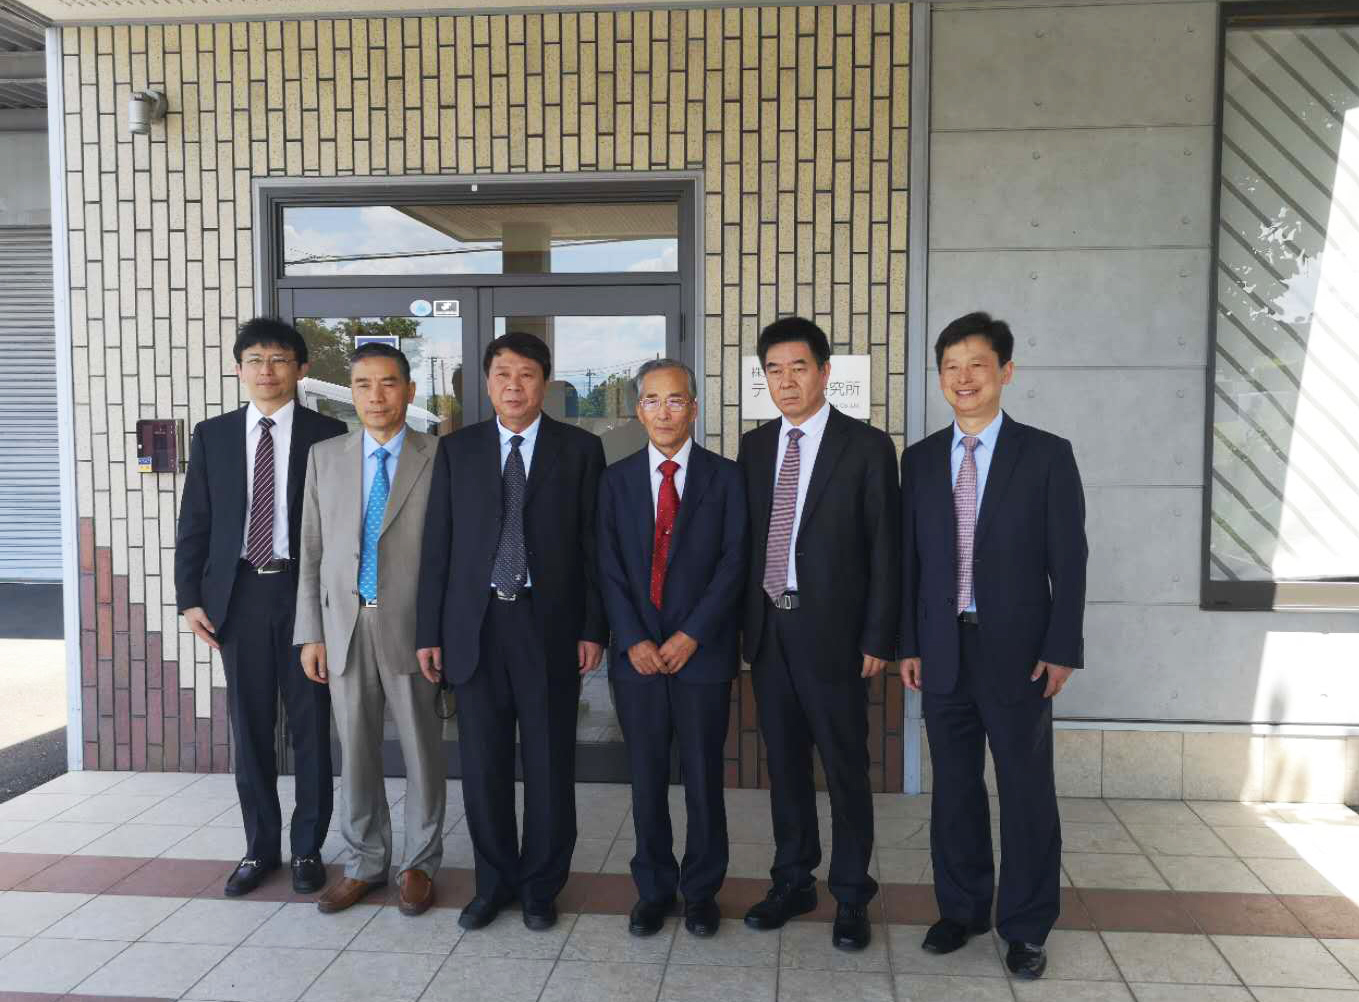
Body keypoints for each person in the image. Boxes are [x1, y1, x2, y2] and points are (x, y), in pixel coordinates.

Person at [899, 311, 1087, 980]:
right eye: (950, 367)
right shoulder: (921, 460)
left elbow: (1070, 560)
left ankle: (1026, 926)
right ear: (939, 377)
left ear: (1005, 371)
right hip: (941, 649)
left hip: (1019, 655)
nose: (963, 378)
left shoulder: (1046, 455)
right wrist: (908, 643)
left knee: (1025, 791)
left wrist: (1062, 647)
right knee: (953, 789)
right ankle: (962, 910)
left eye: (976, 365)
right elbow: (910, 562)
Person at [416, 331, 607, 932]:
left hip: (547, 625)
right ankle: (493, 884)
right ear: (486, 382)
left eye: (526, 374)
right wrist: (429, 632)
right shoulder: (458, 450)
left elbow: (594, 546)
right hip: (475, 628)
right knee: (483, 766)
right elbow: (438, 547)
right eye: (502, 374)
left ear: (545, 382)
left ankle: (541, 886)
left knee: (550, 764)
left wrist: (593, 627)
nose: (514, 386)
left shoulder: (579, 450)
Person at [737, 316, 900, 952]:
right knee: (784, 766)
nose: (786, 381)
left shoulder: (866, 446)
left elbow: (885, 548)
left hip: (836, 635)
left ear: (825, 372)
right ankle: (793, 880)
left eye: (798, 367)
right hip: (770, 630)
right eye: (774, 370)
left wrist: (878, 637)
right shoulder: (755, 448)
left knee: (845, 766)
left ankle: (852, 892)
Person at [174, 317, 345, 897]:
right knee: (249, 728)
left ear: (301, 368)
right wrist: (189, 599)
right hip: (239, 596)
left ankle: (308, 848)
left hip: (305, 595)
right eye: (255, 360)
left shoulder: (329, 434)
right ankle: (259, 848)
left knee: (311, 725)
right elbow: (195, 521)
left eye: (278, 360)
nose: (266, 370)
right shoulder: (213, 435)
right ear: (238, 368)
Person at [293, 342, 446, 917]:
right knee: (355, 750)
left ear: (409, 390)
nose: (376, 396)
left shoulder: (440, 456)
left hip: (412, 627)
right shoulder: (325, 457)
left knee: (422, 750)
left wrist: (441, 631)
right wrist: (311, 632)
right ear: (351, 393)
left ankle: (419, 864)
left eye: (388, 383)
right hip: (344, 626)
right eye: (363, 384)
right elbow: (311, 550)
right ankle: (365, 862)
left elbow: (453, 551)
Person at [597, 359, 747, 940]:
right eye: (652, 401)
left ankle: (702, 891)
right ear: (638, 411)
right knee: (647, 778)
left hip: (701, 656)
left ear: (694, 408)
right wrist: (634, 637)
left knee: (705, 778)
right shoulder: (615, 481)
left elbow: (735, 563)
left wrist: (692, 634)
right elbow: (607, 566)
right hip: (636, 659)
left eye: (676, 400)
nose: (664, 412)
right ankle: (654, 889)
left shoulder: (726, 478)